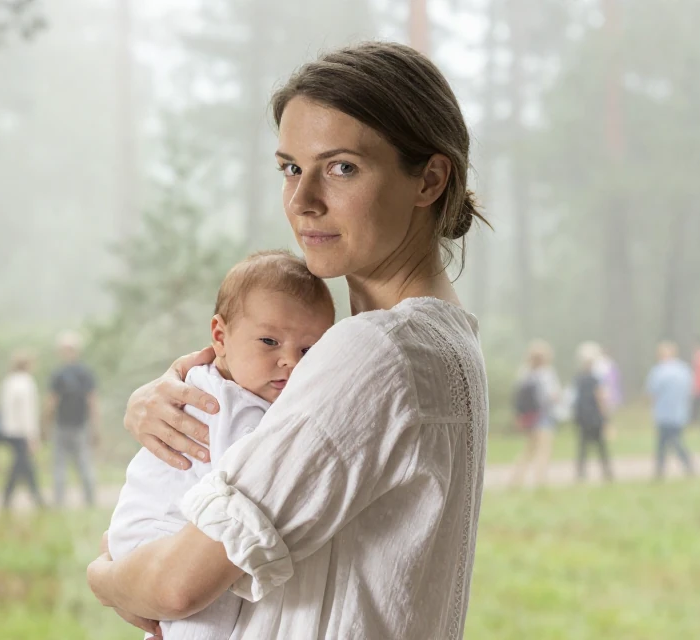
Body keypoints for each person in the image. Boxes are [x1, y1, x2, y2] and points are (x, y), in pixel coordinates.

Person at [87, 42, 490, 639]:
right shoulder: (447, 345)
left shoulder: (377, 353)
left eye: (342, 167)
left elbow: (176, 585)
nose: (302, 202)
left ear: (429, 179)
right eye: (291, 168)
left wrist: (104, 576)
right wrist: (195, 396)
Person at [108, 251, 335, 640]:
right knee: (211, 608)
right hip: (164, 538)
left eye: (308, 350)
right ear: (219, 336)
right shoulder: (232, 406)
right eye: (269, 341)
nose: (290, 362)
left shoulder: (211, 381)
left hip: (141, 535)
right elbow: (250, 479)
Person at [46, 331, 98, 508]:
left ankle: (60, 502)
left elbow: (51, 402)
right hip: (77, 425)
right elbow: (92, 402)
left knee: (61, 464)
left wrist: (44, 424)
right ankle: (89, 501)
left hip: (65, 425)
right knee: (83, 463)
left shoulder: (58, 374)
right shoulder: (85, 373)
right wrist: (95, 426)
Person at [508, 340, 561, 487]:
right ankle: (540, 479)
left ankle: (516, 479)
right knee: (544, 449)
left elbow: (517, 398)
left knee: (529, 449)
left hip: (529, 417)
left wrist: (519, 416)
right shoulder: (546, 373)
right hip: (544, 415)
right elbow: (552, 395)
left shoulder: (524, 373)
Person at [0, 350, 45, 510]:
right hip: (22, 431)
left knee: (22, 464)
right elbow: (27, 412)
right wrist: (32, 436)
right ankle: (33, 496)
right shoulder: (27, 383)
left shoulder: (8, 381)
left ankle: (33, 496)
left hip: (9, 430)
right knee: (21, 464)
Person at [647, 342, 696, 479]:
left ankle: (663, 468)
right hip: (680, 412)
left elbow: (652, 392)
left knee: (668, 441)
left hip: (664, 413)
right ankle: (665, 468)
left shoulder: (659, 371)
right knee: (671, 440)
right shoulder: (683, 370)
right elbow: (690, 390)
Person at [572, 343, 613, 482]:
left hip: (583, 418)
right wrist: (605, 416)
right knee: (600, 446)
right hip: (594, 417)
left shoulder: (578, 379)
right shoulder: (596, 379)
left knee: (584, 447)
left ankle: (581, 473)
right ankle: (606, 472)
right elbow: (600, 398)